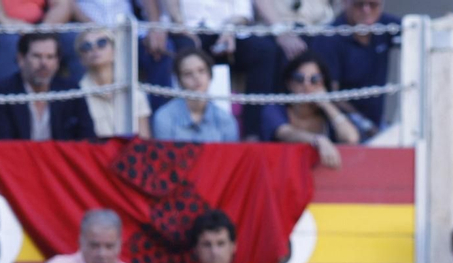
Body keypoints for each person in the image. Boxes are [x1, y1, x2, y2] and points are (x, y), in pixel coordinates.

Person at [155, 0, 284, 138]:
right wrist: (181, 26)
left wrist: (229, 30)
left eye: (201, 72)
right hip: (184, 29)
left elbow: (243, 13)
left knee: (264, 51)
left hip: (227, 30)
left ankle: (252, 134)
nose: (196, 77)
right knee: (186, 55)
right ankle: (172, 122)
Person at [0, 32, 96, 141]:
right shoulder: (2, 92)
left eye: (50, 57)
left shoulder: (71, 91)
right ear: (21, 59)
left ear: (57, 62)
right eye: (37, 56)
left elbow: (87, 139)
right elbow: (2, 143)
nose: (44, 63)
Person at [260, 49, 359, 169]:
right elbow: (285, 133)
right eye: (299, 78)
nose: (306, 85)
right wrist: (318, 140)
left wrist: (327, 104)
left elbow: (351, 138)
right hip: (282, 174)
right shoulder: (275, 109)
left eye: (315, 79)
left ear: (323, 83)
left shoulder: (328, 113)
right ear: (289, 83)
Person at [313, 0, 398, 135]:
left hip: (377, 123)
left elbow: (418, 31)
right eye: (359, 4)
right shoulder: (329, 37)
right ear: (345, 3)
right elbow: (331, 94)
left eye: (373, 4)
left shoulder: (384, 24)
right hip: (341, 126)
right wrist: (364, 124)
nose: (366, 10)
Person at [0, 0, 71, 87]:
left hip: (37, 25)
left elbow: (62, 4)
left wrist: (42, 32)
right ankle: (7, 104)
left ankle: (73, 106)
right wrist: (4, 20)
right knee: (10, 42)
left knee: (71, 39)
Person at [150, 45, 238, 142]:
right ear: (179, 81)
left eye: (201, 70)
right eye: (188, 73)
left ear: (210, 75)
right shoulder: (164, 117)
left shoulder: (226, 120)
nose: (196, 77)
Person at [76, 26, 150, 137]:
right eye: (87, 46)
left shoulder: (133, 88)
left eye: (102, 42)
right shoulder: (77, 94)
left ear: (115, 50)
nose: (95, 48)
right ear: (81, 58)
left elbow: (144, 137)